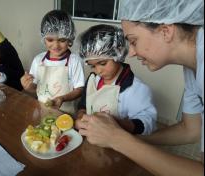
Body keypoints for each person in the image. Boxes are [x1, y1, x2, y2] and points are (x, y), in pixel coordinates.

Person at [78, 0, 204, 175]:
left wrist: (117, 139)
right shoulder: (192, 68)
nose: (130, 53)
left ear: (166, 31)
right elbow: (191, 130)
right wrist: (134, 139)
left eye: (133, 40)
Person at [75, 24, 157, 135]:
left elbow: (148, 122)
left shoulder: (135, 89)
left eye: (102, 63)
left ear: (118, 54)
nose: (98, 71)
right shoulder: (93, 80)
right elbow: (83, 104)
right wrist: (80, 116)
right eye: (92, 66)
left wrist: (118, 124)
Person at [21, 10, 85, 115]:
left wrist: (63, 98)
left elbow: (79, 89)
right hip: (42, 111)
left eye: (62, 40)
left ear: (70, 39)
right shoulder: (38, 60)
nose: (56, 46)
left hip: (66, 114)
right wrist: (27, 86)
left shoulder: (75, 61)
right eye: (50, 40)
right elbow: (35, 89)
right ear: (44, 38)